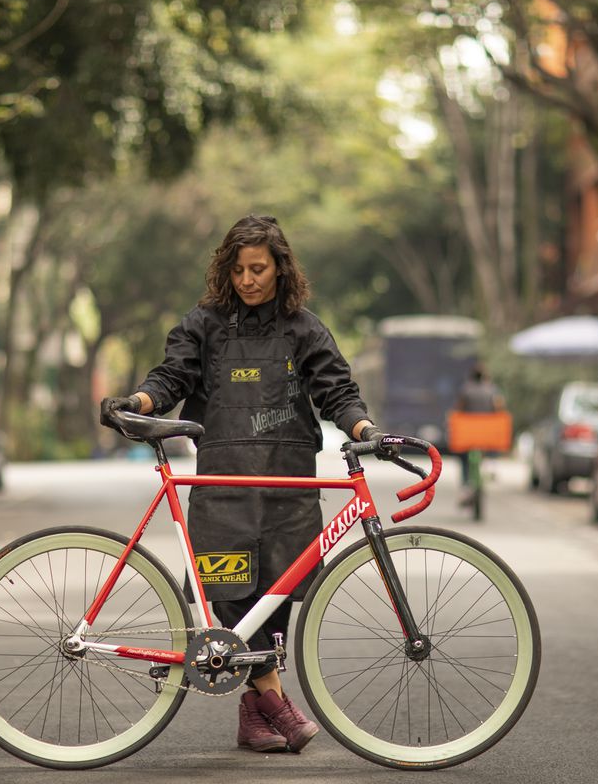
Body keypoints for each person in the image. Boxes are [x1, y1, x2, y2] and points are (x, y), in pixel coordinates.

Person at [100, 214, 388, 755]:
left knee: (272, 603)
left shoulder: (304, 328)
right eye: (237, 270)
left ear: (281, 268)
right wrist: (138, 403)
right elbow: (172, 376)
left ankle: (252, 721)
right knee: (230, 598)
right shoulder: (203, 323)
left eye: (258, 268)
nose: (248, 280)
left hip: (287, 486)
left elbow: (337, 391)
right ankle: (277, 704)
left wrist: (364, 429)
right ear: (225, 272)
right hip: (224, 484)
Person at [453, 363, 506, 484]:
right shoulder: (492, 390)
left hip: (469, 430)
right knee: (493, 444)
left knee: (464, 456)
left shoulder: (465, 389)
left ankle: (466, 483)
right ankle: (492, 462)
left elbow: (459, 409)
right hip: (486, 429)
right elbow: (499, 407)